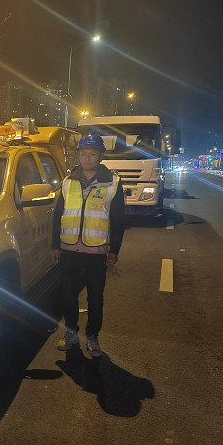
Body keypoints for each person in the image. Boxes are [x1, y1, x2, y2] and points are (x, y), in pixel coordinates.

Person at [51, 131, 126, 357]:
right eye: (83, 153)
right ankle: (71, 332)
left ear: (100, 156)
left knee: (95, 298)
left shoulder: (112, 183)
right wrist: (55, 245)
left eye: (92, 154)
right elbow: (58, 215)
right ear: (78, 155)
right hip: (68, 249)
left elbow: (118, 219)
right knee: (68, 294)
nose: (87, 158)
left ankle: (92, 336)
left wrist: (114, 250)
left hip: (96, 251)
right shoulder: (68, 182)